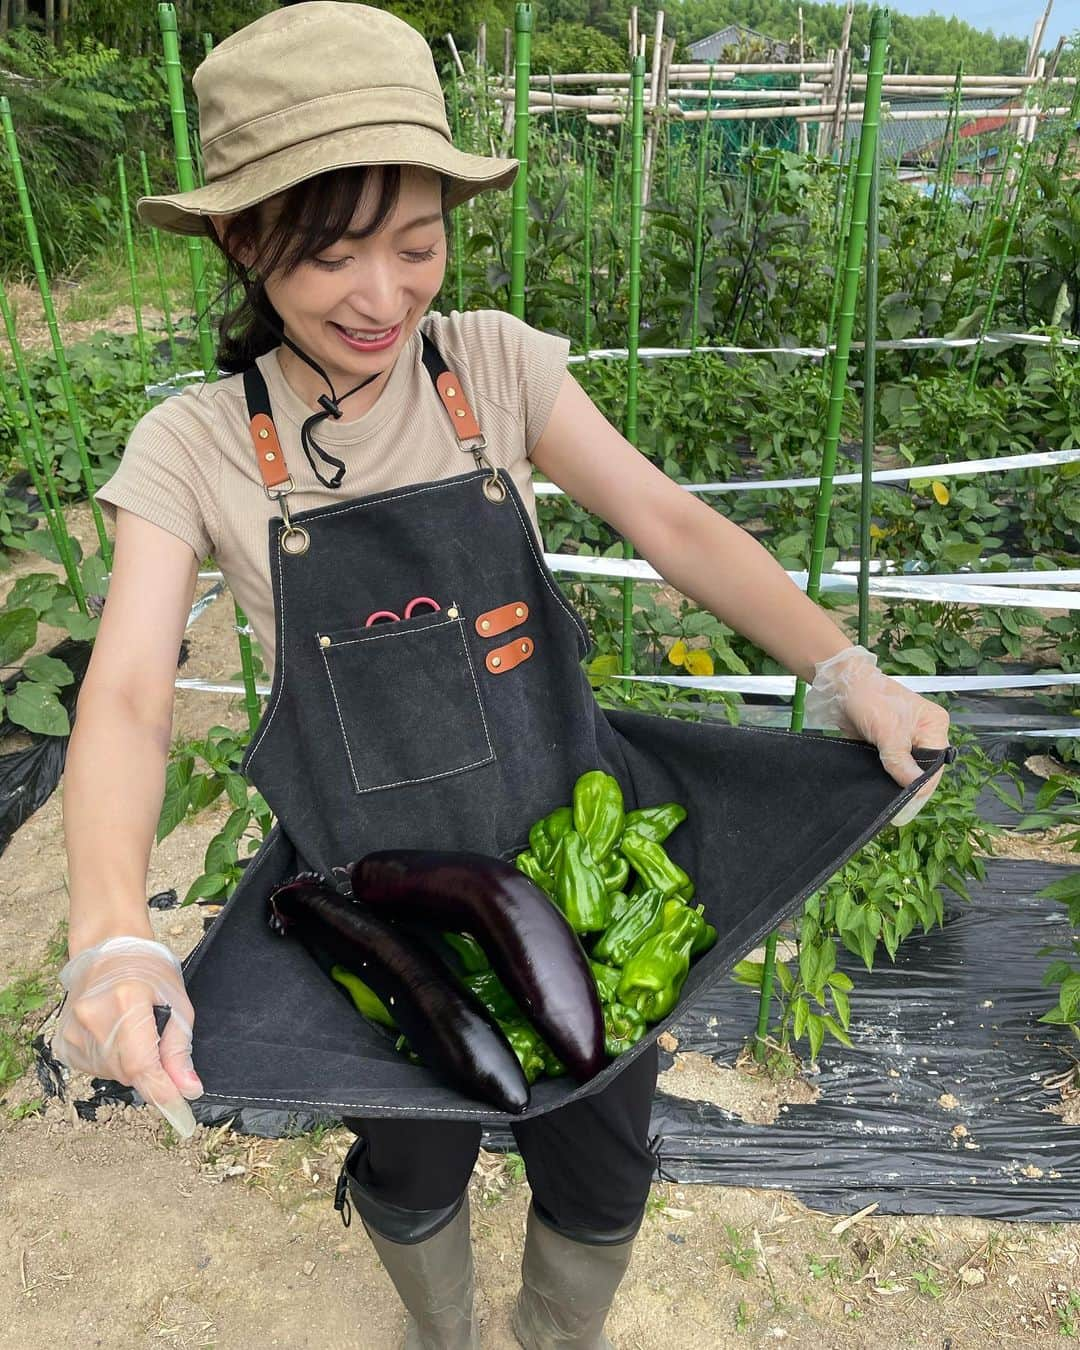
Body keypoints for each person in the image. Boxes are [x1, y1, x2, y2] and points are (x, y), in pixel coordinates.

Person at [51, 6, 950, 1348]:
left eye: (416, 246)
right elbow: (124, 692)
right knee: (411, 1161)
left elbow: (674, 523)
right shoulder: (196, 449)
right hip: (376, 907)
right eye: (330, 255)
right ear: (244, 241)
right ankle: (443, 1330)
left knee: (603, 1159)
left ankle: (555, 1335)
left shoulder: (493, 367)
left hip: (576, 881)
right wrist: (112, 927)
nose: (381, 296)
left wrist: (843, 664)